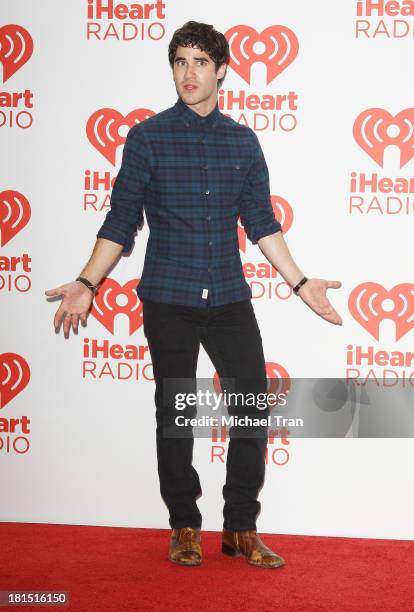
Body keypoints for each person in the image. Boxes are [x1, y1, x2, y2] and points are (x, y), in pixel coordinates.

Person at [45, 20, 342, 569]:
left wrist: (300, 284)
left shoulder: (242, 140)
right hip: (168, 297)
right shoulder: (148, 137)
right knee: (176, 414)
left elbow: (261, 222)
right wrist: (87, 282)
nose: (189, 72)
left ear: (222, 69)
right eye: (180, 61)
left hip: (229, 295)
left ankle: (240, 529)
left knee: (251, 408)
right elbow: (120, 222)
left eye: (200, 62)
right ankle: (183, 525)